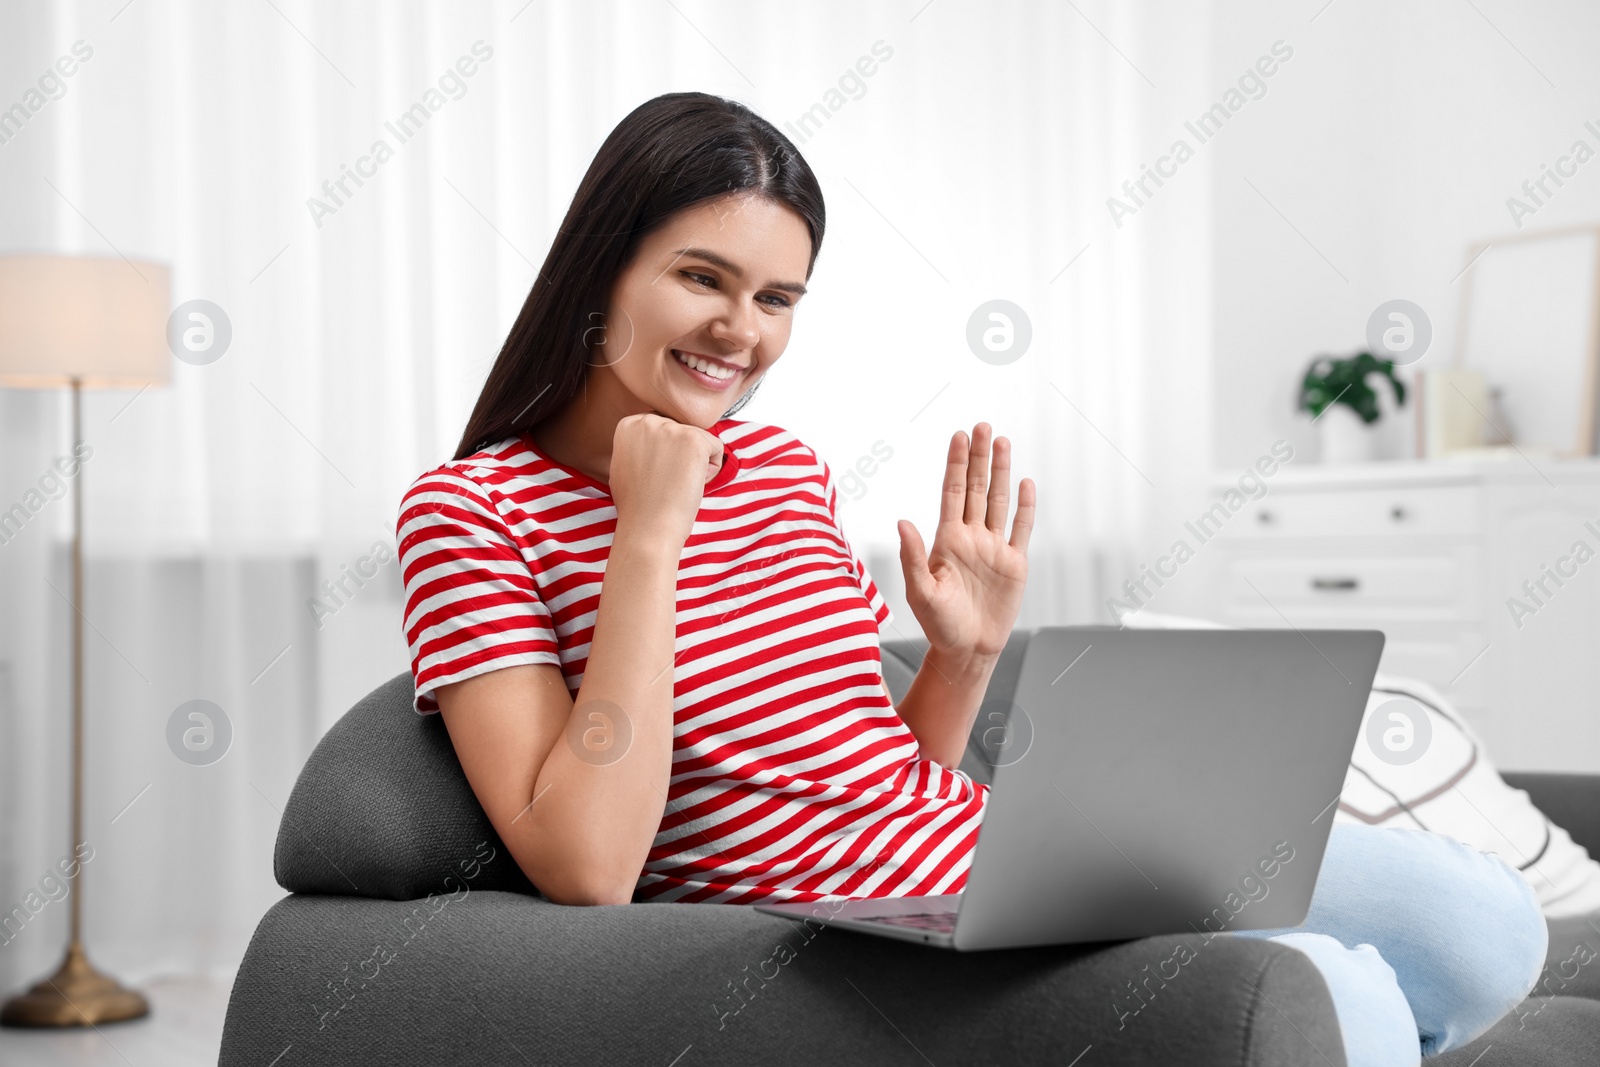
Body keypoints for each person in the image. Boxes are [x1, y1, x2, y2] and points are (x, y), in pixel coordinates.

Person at [396, 91, 1546, 1065]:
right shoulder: (467, 513)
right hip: (841, 938)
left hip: (989, 864)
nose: (739, 332)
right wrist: (649, 532)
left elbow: (885, 776)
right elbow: (588, 865)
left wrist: (963, 653)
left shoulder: (785, 467)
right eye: (703, 277)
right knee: (1318, 987)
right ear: (603, 272)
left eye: (777, 298)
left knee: (1481, 922)